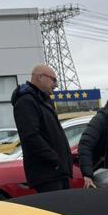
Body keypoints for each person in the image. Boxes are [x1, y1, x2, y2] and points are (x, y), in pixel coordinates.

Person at [11, 65, 72, 193]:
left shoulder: (45, 100)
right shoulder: (26, 102)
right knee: (54, 211)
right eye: (53, 80)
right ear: (40, 77)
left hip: (58, 172)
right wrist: (55, 160)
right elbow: (31, 137)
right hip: (47, 174)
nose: (56, 85)